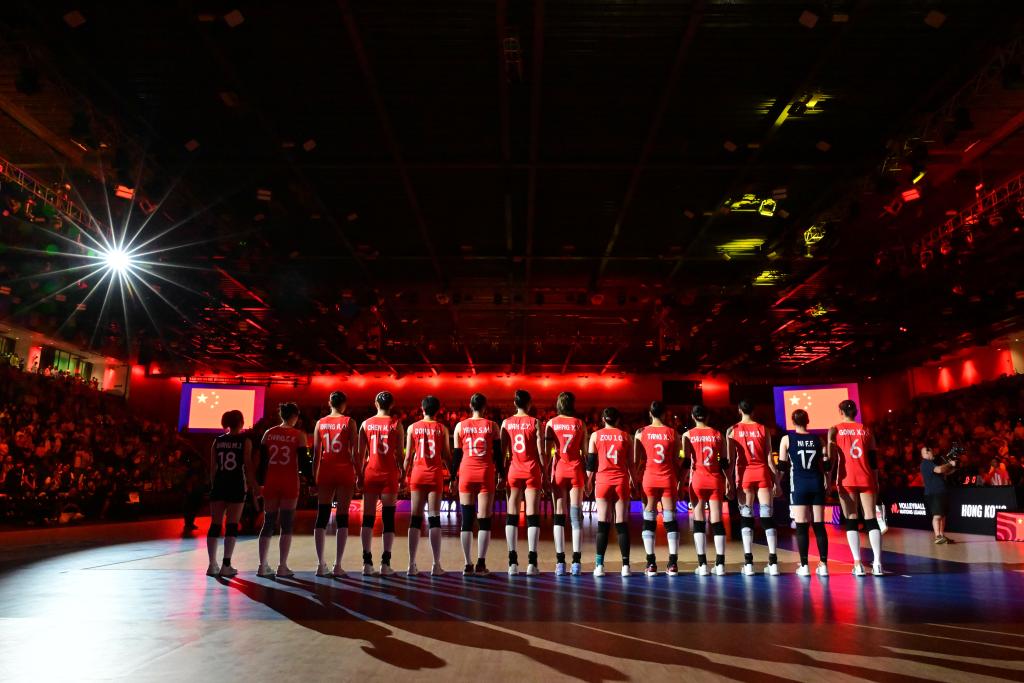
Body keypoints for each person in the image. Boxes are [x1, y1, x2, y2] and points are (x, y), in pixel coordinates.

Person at [828, 399, 883, 577]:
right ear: (856, 412)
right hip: (866, 477)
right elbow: (873, 460)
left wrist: (828, 479)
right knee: (871, 518)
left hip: (846, 479)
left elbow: (831, 458)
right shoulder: (866, 429)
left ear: (840, 412)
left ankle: (858, 564)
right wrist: (876, 481)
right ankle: (878, 564)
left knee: (851, 519)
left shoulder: (835, 429)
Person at [727, 399, 781, 576]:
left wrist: (728, 481)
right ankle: (773, 563)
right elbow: (769, 459)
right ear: (753, 410)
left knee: (746, 517)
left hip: (745, 476)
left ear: (739, 410)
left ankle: (748, 563)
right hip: (762, 474)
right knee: (767, 517)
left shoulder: (733, 430)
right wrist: (777, 482)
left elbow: (731, 460)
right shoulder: (763, 429)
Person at [453, 393, 503, 575]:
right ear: (485, 407)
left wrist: (452, 477)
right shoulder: (492, 426)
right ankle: (481, 564)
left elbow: (457, 455)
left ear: (470, 405)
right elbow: (498, 454)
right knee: (484, 520)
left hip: (466, 472)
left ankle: (468, 564)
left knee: (467, 520)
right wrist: (502, 475)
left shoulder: (460, 426)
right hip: (485, 473)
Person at [312, 391, 358, 577]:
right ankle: (338, 565)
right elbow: (354, 452)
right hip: (345, 470)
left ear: (329, 403)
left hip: (326, 470)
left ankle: (320, 564)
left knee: (322, 515)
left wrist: (314, 477)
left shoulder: (320, 423)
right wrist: (359, 473)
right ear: (344, 404)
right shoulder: (349, 422)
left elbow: (316, 454)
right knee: (342, 517)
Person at [358, 391, 405, 576]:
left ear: (376, 404)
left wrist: (359, 474)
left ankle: (366, 562)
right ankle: (385, 563)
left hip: (370, 473)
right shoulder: (396, 424)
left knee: (368, 518)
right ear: (391, 405)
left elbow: (360, 454)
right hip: (389, 474)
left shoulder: (365, 424)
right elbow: (400, 454)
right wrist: (403, 472)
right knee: (388, 518)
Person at [257, 402, 306, 578]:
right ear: (294, 416)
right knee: (286, 524)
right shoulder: (298, 435)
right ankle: (282, 566)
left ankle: (262, 565)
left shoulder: (268, 433)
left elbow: (262, 463)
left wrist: (259, 483)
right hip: (289, 482)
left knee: (268, 523)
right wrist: (311, 482)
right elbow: (304, 463)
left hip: (271, 482)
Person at [778, 409, 829, 577]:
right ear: (808, 421)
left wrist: (776, 483)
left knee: (801, 526)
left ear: (793, 422)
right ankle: (823, 565)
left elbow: (782, 467)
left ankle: (805, 566)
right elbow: (826, 464)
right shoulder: (818, 439)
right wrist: (828, 481)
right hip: (816, 483)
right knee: (819, 526)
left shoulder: (787, 439)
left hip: (799, 485)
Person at [634, 400, 682, 576]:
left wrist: (635, 478)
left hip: (649, 479)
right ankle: (673, 564)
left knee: (649, 519)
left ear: (650, 413)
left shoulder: (641, 433)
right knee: (670, 519)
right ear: (664, 414)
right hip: (668, 478)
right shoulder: (673, 433)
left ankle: (651, 564)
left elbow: (636, 459)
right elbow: (677, 459)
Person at [587, 407, 636, 577]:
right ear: (618, 420)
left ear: (603, 419)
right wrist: (634, 482)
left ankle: (599, 566)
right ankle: (626, 566)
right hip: (621, 481)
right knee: (621, 524)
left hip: (602, 482)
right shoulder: (626, 436)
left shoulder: (595, 436)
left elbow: (591, 464)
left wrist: (588, 481)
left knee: (603, 524)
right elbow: (631, 464)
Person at [404, 395, 450, 576]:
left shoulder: (412, 427)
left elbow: (408, 457)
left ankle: (411, 565)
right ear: (438, 410)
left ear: (422, 409)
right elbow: (446, 455)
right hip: (434, 475)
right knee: (434, 518)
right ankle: (436, 565)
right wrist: (454, 474)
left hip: (417, 474)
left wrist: (403, 476)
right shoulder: (442, 428)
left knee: (415, 518)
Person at [501, 389, 546, 576]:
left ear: (515, 403)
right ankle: (531, 564)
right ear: (529, 404)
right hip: (532, 470)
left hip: (513, 470)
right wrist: (545, 472)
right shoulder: (535, 423)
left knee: (511, 515)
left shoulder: (506, 423)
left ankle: (512, 564)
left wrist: (501, 475)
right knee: (532, 516)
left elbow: (503, 453)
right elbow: (541, 451)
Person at [206, 410, 255, 577]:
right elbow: (247, 466)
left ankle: (212, 564)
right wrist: (253, 485)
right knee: (232, 525)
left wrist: (214, 486)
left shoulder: (217, 441)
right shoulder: (245, 441)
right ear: (240, 422)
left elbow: (213, 468)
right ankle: (226, 565)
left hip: (219, 484)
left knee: (215, 524)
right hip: (236, 485)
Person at [683, 404, 730, 576]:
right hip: (715, 480)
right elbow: (724, 462)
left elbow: (685, 461)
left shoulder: (688, 435)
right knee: (717, 520)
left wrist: (680, 481)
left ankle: (702, 565)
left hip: (697, 480)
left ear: (693, 416)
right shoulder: (718, 434)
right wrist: (729, 480)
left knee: (699, 519)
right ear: (708, 416)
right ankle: (720, 564)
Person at [545, 391, 587, 576]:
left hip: (559, 470)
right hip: (576, 470)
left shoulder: (551, 423)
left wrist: (546, 473)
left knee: (559, 516)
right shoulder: (580, 424)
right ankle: (576, 563)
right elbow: (585, 453)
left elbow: (547, 452)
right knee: (576, 517)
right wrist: (589, 477)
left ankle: (560, 563)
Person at [921, 446, 956, 544]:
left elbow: (947, 472)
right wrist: (949, 464)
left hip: (941, 492)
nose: (933, 453)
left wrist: (952, 466)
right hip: (934, 493)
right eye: (931, 452)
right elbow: (939, 470)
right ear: (927, 453)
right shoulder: (926, 463)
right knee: (937, 515)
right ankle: (938, 537)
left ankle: (941, 535)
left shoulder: (932, 463)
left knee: (943, 515)